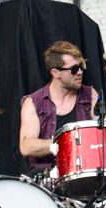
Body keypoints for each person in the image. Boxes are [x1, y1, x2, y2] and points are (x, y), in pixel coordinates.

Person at [19, 41, 100, 169]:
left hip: (84, 171)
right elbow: (26, 147)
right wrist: (64, 141)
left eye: (81, 66)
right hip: (47, 175)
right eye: (74, 69)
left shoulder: (90, 95)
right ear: (56, 73)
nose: (80, 72)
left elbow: (100, 137)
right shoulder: (34, 102)